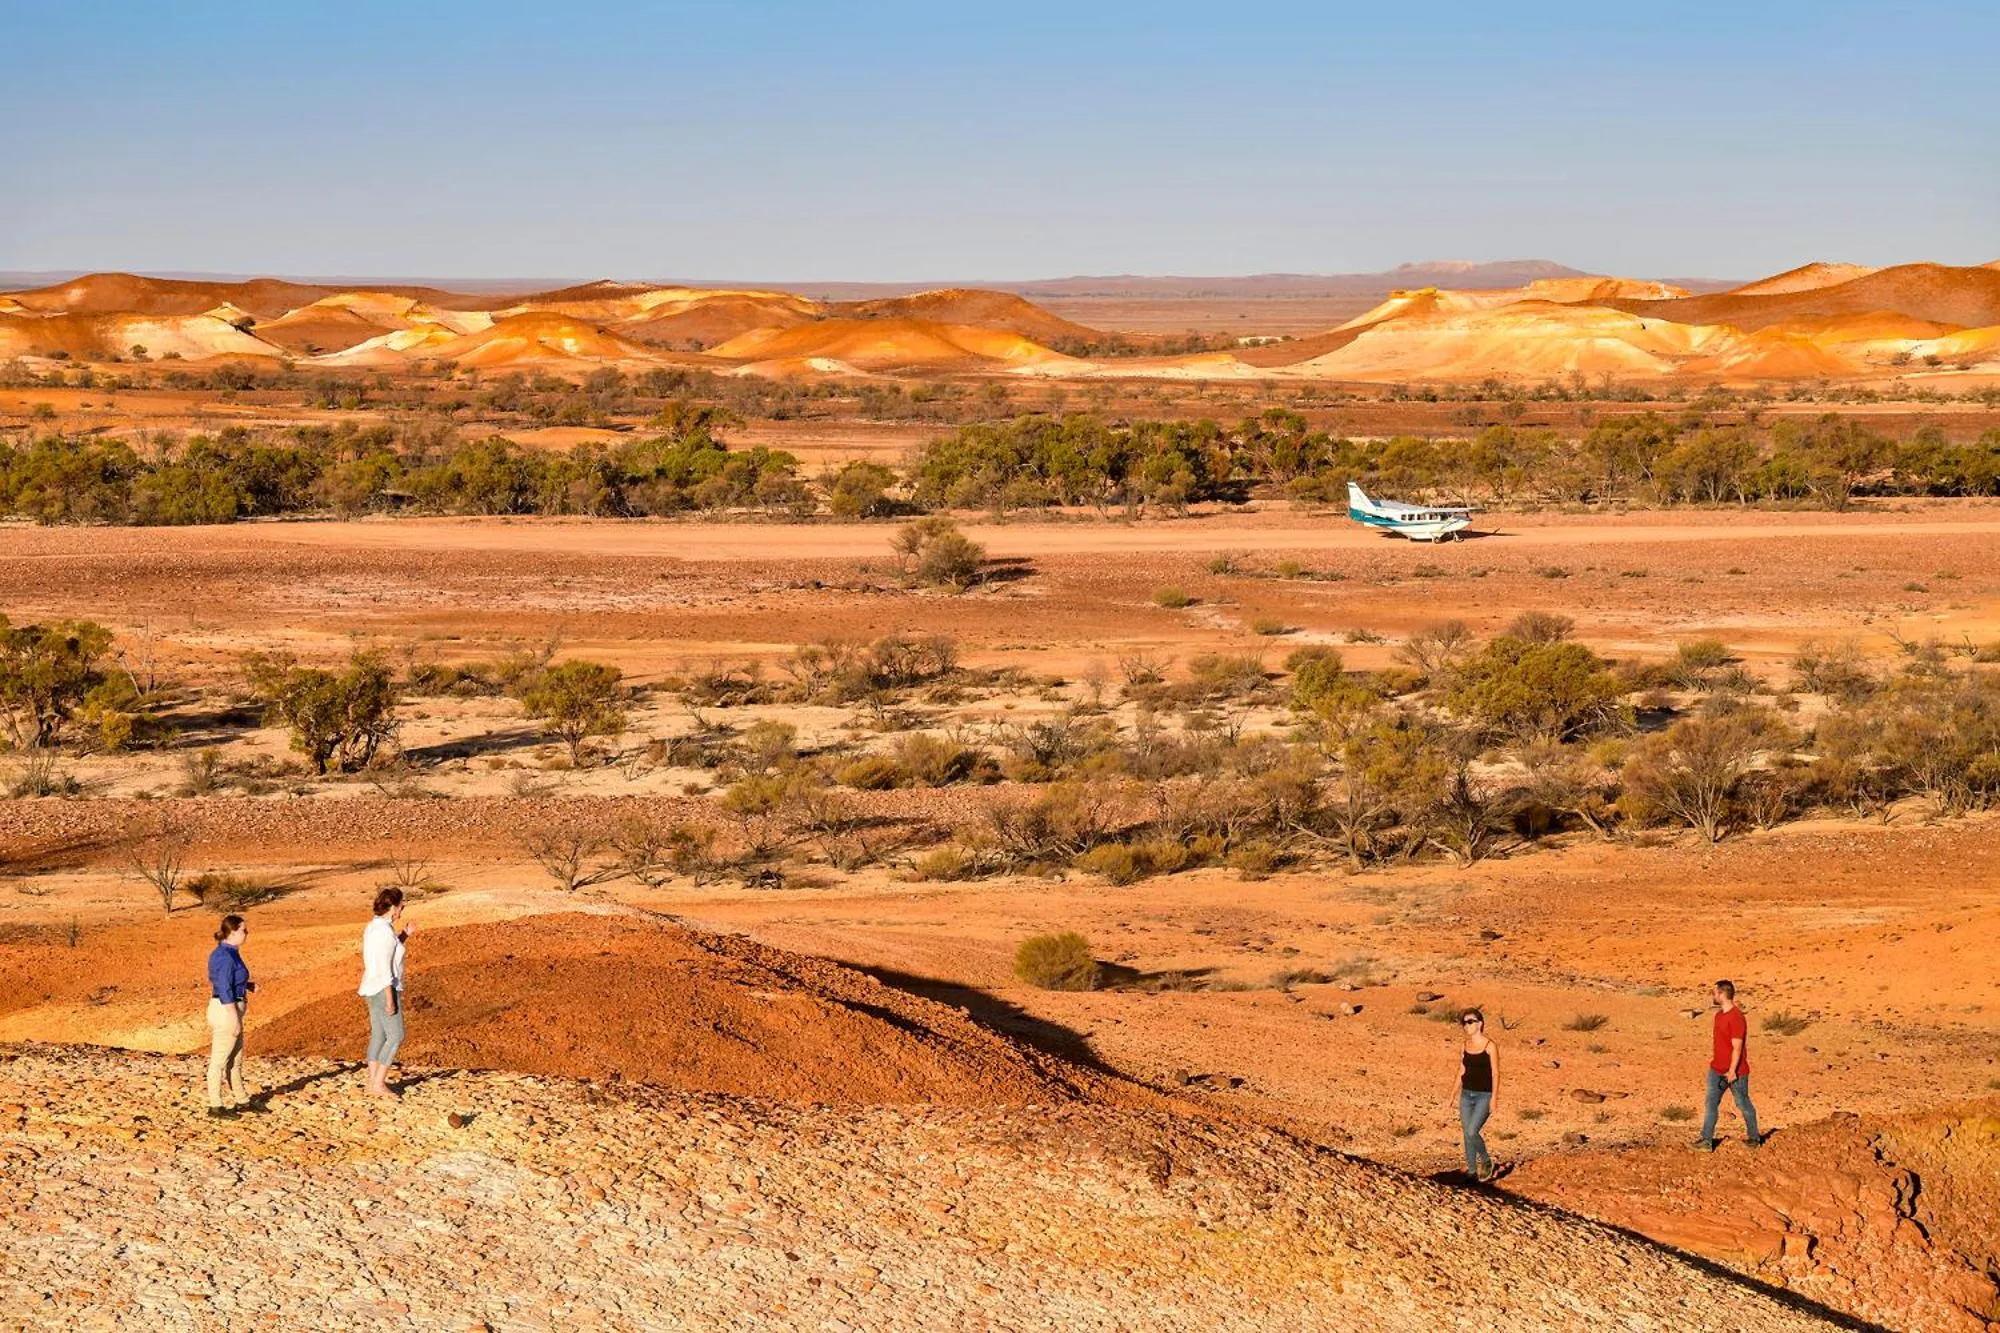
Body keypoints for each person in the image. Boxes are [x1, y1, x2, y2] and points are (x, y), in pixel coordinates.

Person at [359, 887, 413, 1099]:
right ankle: (379, 1083)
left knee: (379, 1035)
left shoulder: (375, 927)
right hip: (384, 988)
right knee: (396, 1035)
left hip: (371, 987)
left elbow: (386, 954)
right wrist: (390, 997)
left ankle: (373, 1082)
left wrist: (404, 935)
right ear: (393, 907)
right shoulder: (384, 932)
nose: (402, 910)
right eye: (401, 906)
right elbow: (384, 967)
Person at [1698, 979, 1762, 1150]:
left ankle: (1754, 1138)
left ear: (1722, 994)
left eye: (1715, 992)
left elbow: (1737, 1047)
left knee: (1743, 1103)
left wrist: (1732, 1071)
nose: (1713, 995)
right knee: (1711, 1102)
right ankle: (1706, 1140)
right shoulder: (1719, 1016)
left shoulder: (1736, 1018)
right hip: (1716, 1069)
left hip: (1736, 1072)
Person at [204, 914, 258, 1117]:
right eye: (244, 930)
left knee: (235, 1058)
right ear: (233, 931)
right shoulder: (225, 956)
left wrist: (248, 986)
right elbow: (224, 987)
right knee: (219, 1060)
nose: (247, 934)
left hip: (232, 1006)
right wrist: (233, 1017)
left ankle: (242, 1099)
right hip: (227, 1010)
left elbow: (230, 980)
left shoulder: (229, 952)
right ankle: (215, 1105)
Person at [1456, 1008, 1499, 1181]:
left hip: (1484, 1095)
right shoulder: (1465, 1045)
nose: (1466, 1025)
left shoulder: (1490, 1046)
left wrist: (1494, 1098)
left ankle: (1486, 1160)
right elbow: (1461, 1070)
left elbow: (1496, 1073)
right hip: (1466, 1094)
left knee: (1473, 1131)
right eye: (1464, 1022)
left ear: (1480, 1024)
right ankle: (1472, 1171)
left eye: (1470, 1021)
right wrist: (1453, 1094)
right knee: (1466, 1133)